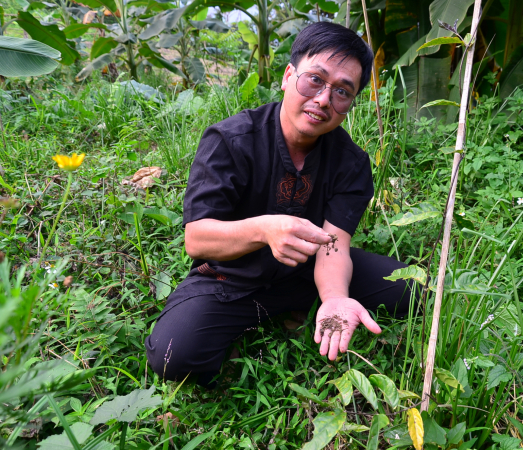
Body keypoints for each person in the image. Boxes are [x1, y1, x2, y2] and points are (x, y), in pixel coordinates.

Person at [145, 22, 411, 386]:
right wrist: (265, 229)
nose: (323, 100)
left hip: (305, 269)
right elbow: (198, 239)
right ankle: (279, 313)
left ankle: (307, 304)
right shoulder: (230, 140)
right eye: (315, 80)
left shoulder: (351, 162)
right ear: (288, 76)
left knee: (408, 290)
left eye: (342, 91)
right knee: (173, 355)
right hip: (231, 278)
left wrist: (333, 297)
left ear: (350, 104)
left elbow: (333, 246)